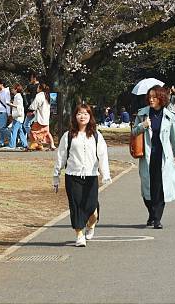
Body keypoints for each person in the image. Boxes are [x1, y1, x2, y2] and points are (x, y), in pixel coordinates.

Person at [53, 104, 111, 247]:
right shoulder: (68, 136)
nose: (82, 116)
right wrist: (56, 175)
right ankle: (79, 234)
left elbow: (103, 156)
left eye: (85, 113)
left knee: (91, 207)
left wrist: (106, 174)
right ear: (75, 116)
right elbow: (61, 156)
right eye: (79, 113)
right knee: (76, 206)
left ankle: (91, 224)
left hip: (91, 176)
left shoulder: (96, 136)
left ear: (90, 116)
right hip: (73, 175)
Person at [132, 86, 175, 229]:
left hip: (163, 157)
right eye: (149, 97)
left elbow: (174, 136)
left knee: (161, 188)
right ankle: (151, 213)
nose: (151, 100)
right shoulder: (142, 114)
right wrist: (143, 125)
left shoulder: (169, 115)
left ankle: (157, 219)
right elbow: (133, 132)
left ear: (161, 98)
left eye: (154, 97)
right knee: (147, 188)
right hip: (147, 156)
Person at [29, 83, 54, 150]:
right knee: (46, 132)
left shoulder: (39, 96)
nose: (37, 89)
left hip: (40, 118)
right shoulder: (47, 96)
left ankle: (34, 144)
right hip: (46, 118)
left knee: (33, 131)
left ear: (40, 89)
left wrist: (30, 109)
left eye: (38, 87)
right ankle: (48, 145)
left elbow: (34, 106)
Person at [7, 83, 27, 150]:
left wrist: (11, 104)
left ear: (16, 89)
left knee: (14, 131)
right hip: (19, 117)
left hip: (17, 117)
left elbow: (19, 106)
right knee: (20, 131)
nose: (12, 90)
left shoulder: (17, 96)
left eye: (13, 88)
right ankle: (25, 144)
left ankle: (12, 145)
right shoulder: (18, 96)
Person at [0, 80, 11, 148]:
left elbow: (7, 103)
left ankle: (12, 137)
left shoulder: (6, 92)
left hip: (3, 112)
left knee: (2, 128)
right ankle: (1, 142)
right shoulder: (0, 92)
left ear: (2, 84)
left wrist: (9, 113)